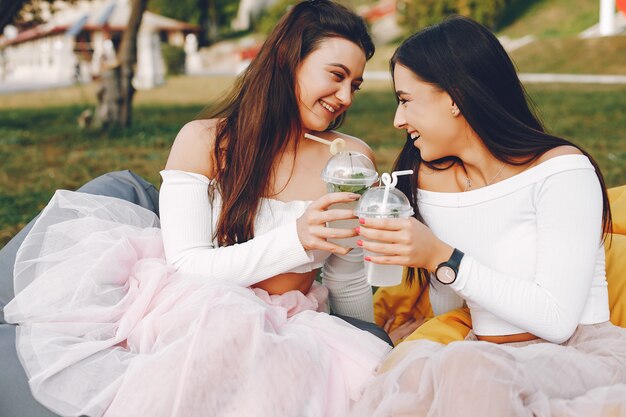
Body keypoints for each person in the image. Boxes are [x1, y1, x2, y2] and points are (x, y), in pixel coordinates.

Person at [3, 2, 393, 416]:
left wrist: (367, 346)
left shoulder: (349, 160)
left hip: (294, 326)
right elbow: (187, 266)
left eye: (355, 84)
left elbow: (346, 279)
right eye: (336, 76)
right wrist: (295, 239)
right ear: (287, 61)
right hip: (198, 312)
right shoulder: (206, 141)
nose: (345, 96)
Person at [351, 15, 626, 416]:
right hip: (479, 358)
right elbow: (451, 304)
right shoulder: (427, 180)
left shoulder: (561, 172)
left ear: (456, 96)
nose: (397, 120)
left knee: (469, 370)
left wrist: (441, 258)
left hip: (580, 358)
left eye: (406, 100)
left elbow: (557, 321)